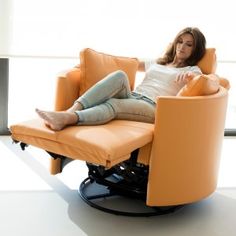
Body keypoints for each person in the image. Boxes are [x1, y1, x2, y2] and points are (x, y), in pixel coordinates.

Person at [36, 27, 206, 131]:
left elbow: (210, 82)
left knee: (114, 104)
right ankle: (69, 111)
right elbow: (127, 64)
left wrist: (192, 77)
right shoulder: (159, 62)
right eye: (180, 41)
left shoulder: (192, 70)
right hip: (134, 96)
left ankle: (67, 119)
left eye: (188, 44)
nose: (182, 47)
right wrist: (88, 63)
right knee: (119, 75)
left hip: (153, 107)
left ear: (195, 49)